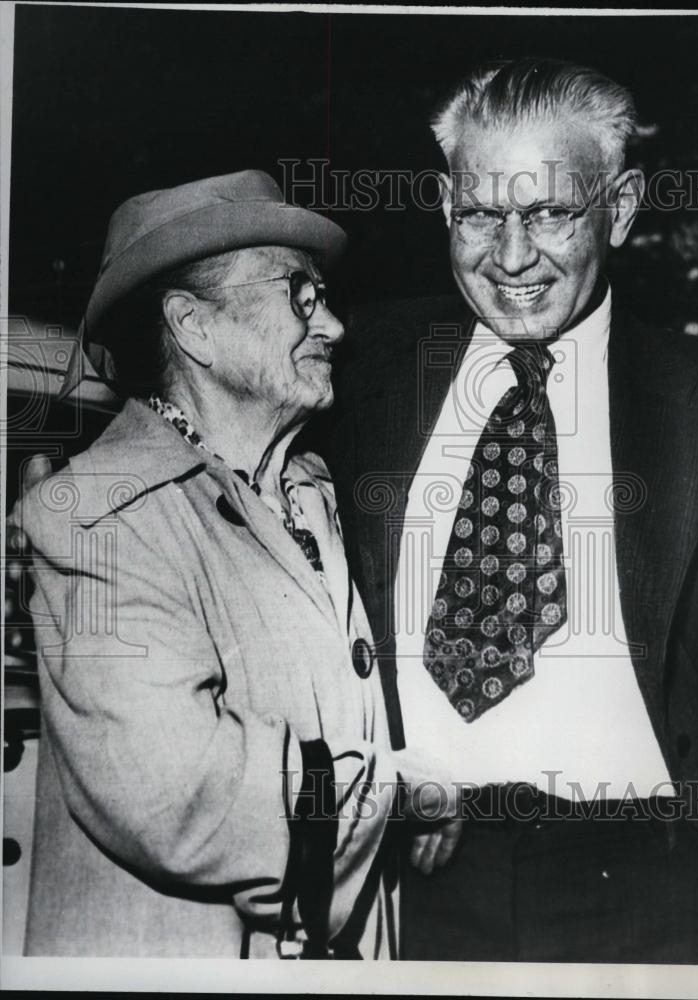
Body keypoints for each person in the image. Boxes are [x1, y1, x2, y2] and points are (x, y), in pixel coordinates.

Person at [326, 58, 698, 963]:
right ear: (446, 206)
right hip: (415, 879)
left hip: (651, 883)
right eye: (481, 213)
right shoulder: (354, 371)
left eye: (552, 212)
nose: (512, 257)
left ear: (622, 207)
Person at [14, 169, 454, 959]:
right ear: (194, 327)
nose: (336, 328)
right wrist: (396, 791)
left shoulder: (311, 497)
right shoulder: (101, 517)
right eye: (298, 294)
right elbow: (175, 789)